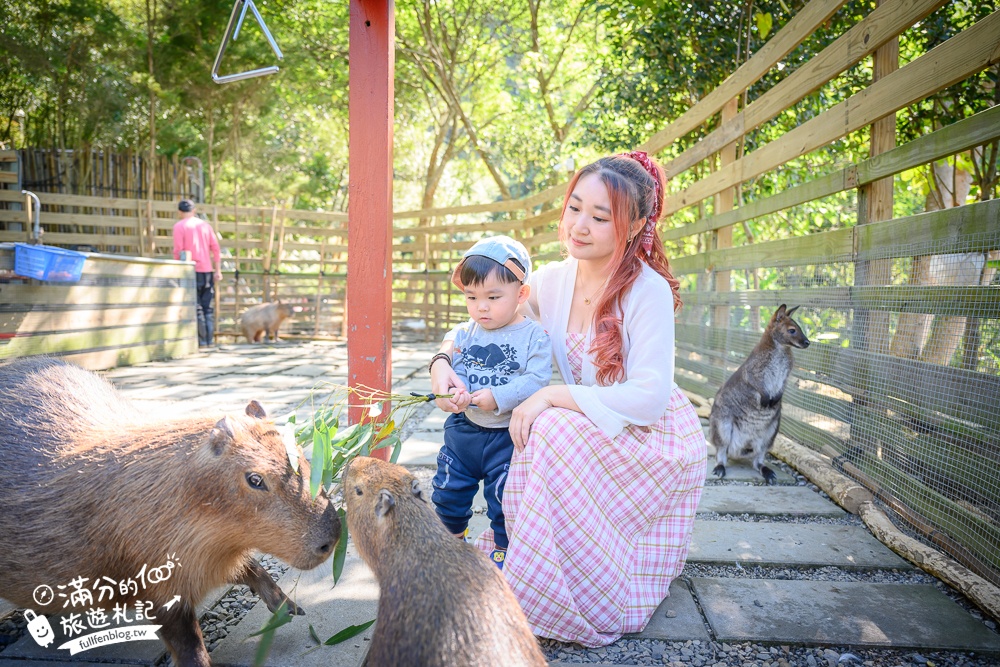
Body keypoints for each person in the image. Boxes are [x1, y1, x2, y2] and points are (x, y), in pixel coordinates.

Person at [430, 152, 705, 647]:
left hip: (648, 437)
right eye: (574, 207)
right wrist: (442, 361)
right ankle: (539, 573)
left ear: (635, 223)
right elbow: (482, 319)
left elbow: (649, 398)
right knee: (537, 426)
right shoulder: (555, 280)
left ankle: (577, 587)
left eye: (599, 217)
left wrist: (549, 395)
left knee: (545, 425)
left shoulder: (648, 290)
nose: (579, 226)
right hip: (589, 427)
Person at [428, 236, 552, 569]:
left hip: (506, 436)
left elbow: (537, 380)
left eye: (493, 297)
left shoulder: (533, 336)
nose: (481, 307)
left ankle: (503, 552)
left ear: (521, 294)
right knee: (447, 490)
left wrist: (498, 396)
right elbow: (448, 365)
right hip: (463, 432)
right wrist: (450, 391)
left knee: (504, 499)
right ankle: (451, 547)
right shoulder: (465, 332)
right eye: (471, 297)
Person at [172, 199, 222, 348]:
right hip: (207, 271)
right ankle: (210, 340)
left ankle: (202, 341)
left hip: (190, 271)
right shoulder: (205, 226)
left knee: (197, 307)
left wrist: (177, 270)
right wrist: (217, 270)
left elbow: (178, 251)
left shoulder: (179, 226)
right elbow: (216, 248)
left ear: (180, 212)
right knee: (207, 307)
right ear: (194, 211)